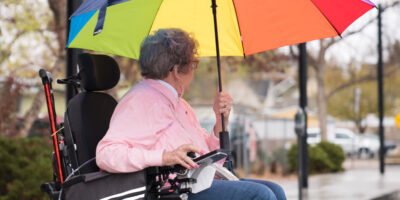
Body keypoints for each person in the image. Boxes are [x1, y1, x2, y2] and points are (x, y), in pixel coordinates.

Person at [96, 28, 286, 200]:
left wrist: (221, 122)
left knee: (274, 190)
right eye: (194, 64)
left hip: (200, 181)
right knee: (262, 195)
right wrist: (163, 157)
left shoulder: (179, 104)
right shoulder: (140, 100)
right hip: (173, 190)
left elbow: (208, 155)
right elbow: (106, 154)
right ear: (177, 71)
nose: (194, 72)